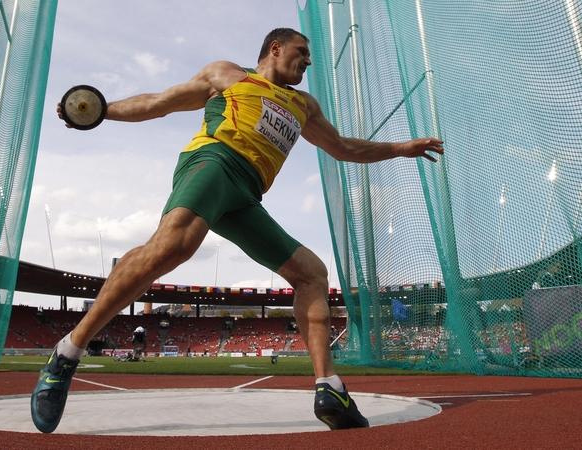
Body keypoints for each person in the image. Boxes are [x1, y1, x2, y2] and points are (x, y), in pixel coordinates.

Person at [31, 27, 444, 433]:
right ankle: (66, 353)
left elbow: (345, 148)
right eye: (301, 52)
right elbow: (160, 102)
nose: (308, 60)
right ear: (275, 48)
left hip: (246, 194)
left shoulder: (305, 106)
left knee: (312, 274)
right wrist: (101, 110)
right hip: (213, 161)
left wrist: (401, 149)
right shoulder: (229, 75)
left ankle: (329, 388)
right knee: (175, 246)